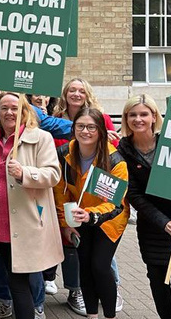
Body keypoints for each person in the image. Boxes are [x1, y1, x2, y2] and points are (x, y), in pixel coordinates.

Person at [117, 95, 171, 319]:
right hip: (153, 226)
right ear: (126, 119)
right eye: (132, 114)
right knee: (157, 279)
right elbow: (134, 194)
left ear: (154, 116)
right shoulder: (123, 150)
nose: (138, 119)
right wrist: (163, 223)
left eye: (144, 114)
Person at [0, 92, 63, 319]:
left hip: (25, 225)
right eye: (4, 108)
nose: (9, 112)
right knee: (13, 280)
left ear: (25, 111)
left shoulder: (41, 138)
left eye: (15, 108)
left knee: (18, 282)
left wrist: (25, 173)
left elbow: (53, 174)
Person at [48, 78, 120, 314]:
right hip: (77, 218)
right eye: (80, 127)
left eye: (91, 127)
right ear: (73, 129)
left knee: (100, 267)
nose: (85, 131)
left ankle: (109, 314)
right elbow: (60, 193)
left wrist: (90, 215)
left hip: (108, 220)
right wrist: (65, 224)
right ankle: (91, 314)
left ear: (101, 130)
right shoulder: (64, 154)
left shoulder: (113, 160)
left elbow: (115, 203)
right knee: (85, 269)